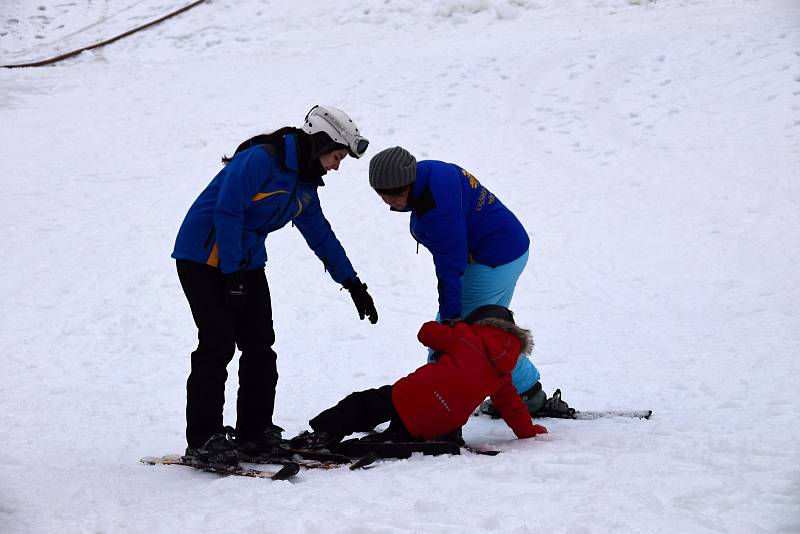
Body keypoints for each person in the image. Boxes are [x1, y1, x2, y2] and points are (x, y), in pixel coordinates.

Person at [172, 105, 378, 467]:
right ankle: (204, 439)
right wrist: (231, 273)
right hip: (203, 257)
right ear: (320, 142)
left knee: (260, 345)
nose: (336, 165)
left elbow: (321, 235)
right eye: (336, 155)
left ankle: (254, 432)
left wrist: (352, 283)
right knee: (217, 345)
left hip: (244, 261)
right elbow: (228, 210)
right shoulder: (260, 160)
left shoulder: (304, 183)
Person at [366, 146, 546, 416]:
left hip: (492, 259)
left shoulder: (437, 209)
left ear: (409, 182)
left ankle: (435, 403)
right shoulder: (428, 172)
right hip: (509, 249)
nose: (391, 203)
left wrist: (450, 320)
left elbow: (450, 267)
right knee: (485, 333)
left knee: (454, 336)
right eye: (383, 196)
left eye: (396, 196)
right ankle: (527, 393)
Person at [290, 305, 547, 450]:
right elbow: (513, 408)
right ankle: (400, 436)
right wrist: (528, 432)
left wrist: (449, 326)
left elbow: (425, 334)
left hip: (414, 394)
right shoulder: (503, 373)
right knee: (416, 420)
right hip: (445, 420)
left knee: (363, 404)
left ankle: (323, 433)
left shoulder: (465, 334)